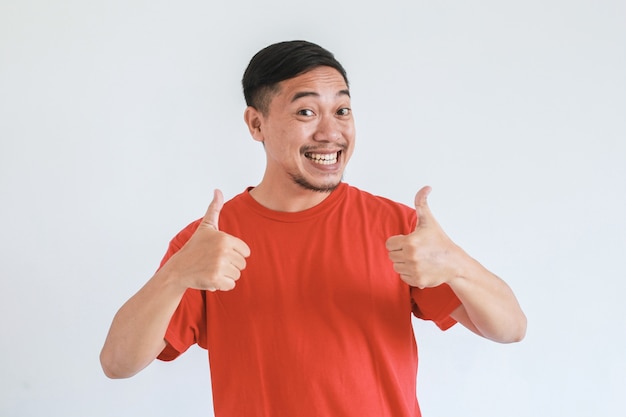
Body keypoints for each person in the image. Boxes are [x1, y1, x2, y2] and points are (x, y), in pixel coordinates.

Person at [100, 40, 526, 417]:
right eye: (306, 111)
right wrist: (176, 275)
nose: (331, 132)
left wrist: (456, 264)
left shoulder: (398, 228)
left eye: (341, 110)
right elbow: (118, 363)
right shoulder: (209, 244)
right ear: (256, 124)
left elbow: (510, 329)